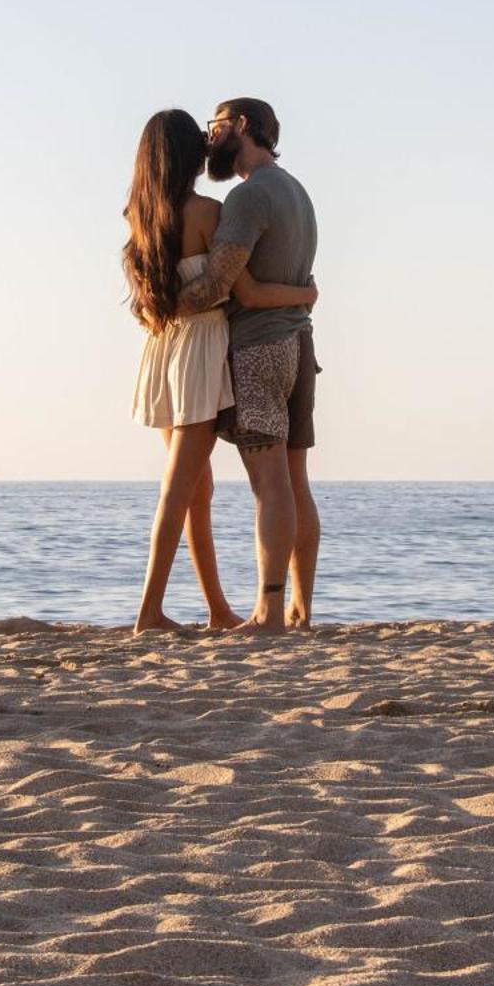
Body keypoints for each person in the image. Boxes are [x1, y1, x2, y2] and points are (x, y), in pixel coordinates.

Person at [124, 109, 318, 634]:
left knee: (195, 489)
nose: (211, 141)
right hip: (202, 349)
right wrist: (306, 294)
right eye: (202, 136)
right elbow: (241, 291)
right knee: (185, 486)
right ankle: (151, 612)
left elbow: (150, 299)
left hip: (161, 351)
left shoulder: (139, 216)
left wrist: (159, 308)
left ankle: (215, 609)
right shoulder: (210, 211)